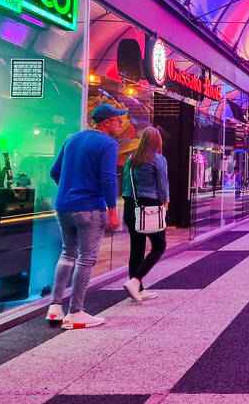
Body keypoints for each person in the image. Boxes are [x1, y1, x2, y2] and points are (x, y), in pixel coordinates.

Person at [46, 104, 125, 329]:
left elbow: (54, 171)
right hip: (89, 207)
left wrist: (70, 188)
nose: (120, 123)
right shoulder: (108, 143)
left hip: (64, 205)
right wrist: (112, 210)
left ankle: (54, 307)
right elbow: (109, 179)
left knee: (67, 252)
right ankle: (76, 312)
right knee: (86, 258)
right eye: (118, 119)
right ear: (106, 122)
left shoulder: (72, 140)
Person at [122, 127, 169, 303]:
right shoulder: (158, 159)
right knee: (159, 245)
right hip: (149, 207)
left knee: (137, 247)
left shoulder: (130, 159)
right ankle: (135, 282)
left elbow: (125, 184)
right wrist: (166, 202)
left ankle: (138, 290)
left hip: (130, 206)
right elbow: (163, 184)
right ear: (157, 141)